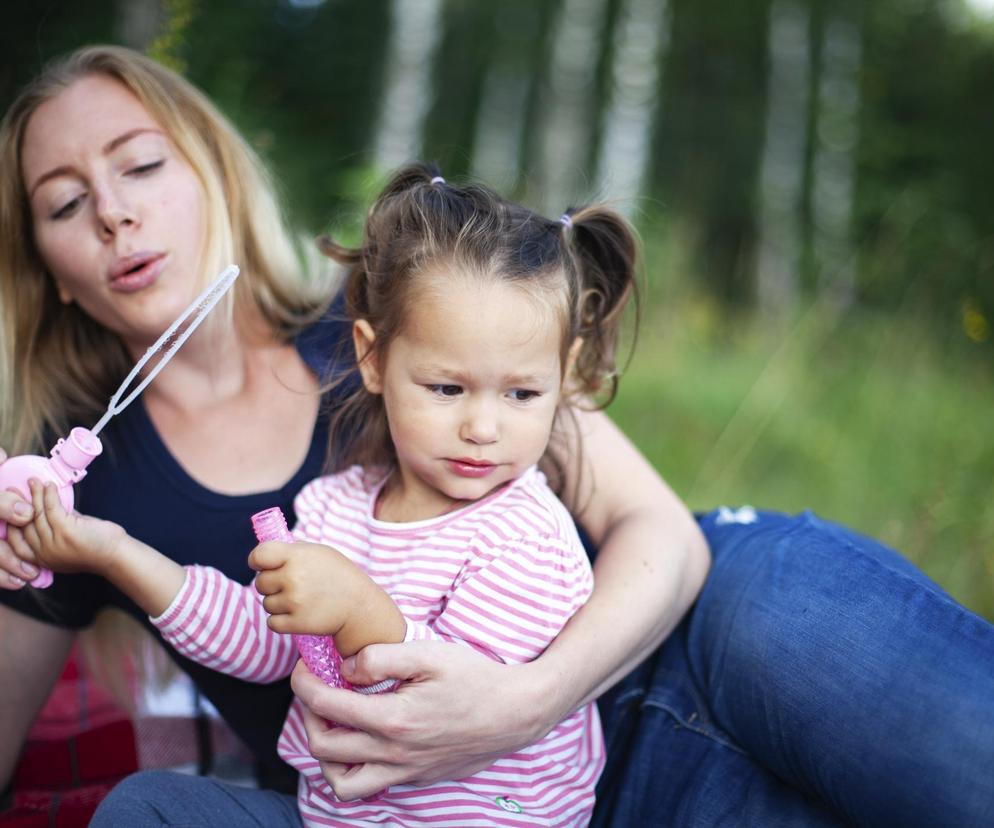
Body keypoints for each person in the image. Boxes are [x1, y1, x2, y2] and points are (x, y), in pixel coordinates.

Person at [0, 44, 991, 828]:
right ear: (43, 259)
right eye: (66, 202)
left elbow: (658, 529)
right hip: (512, 806)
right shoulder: (78, 478)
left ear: (211, 173)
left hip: (682, 638)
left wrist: (527, 701)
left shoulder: (395, 312)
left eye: (139, 165)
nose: (117, 215)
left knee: (897, 715)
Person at [14, 162, 639, 826]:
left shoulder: (530, 538)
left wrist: (355, 606)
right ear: (373, 360)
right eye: (447, 389)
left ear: (564, 375)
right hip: (330, 818)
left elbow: (445, 704)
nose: (483, 428)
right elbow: (264, 642)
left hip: (485, 818)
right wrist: (115, 553)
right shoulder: (332, 506)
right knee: (147, 806)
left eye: (521, 393)